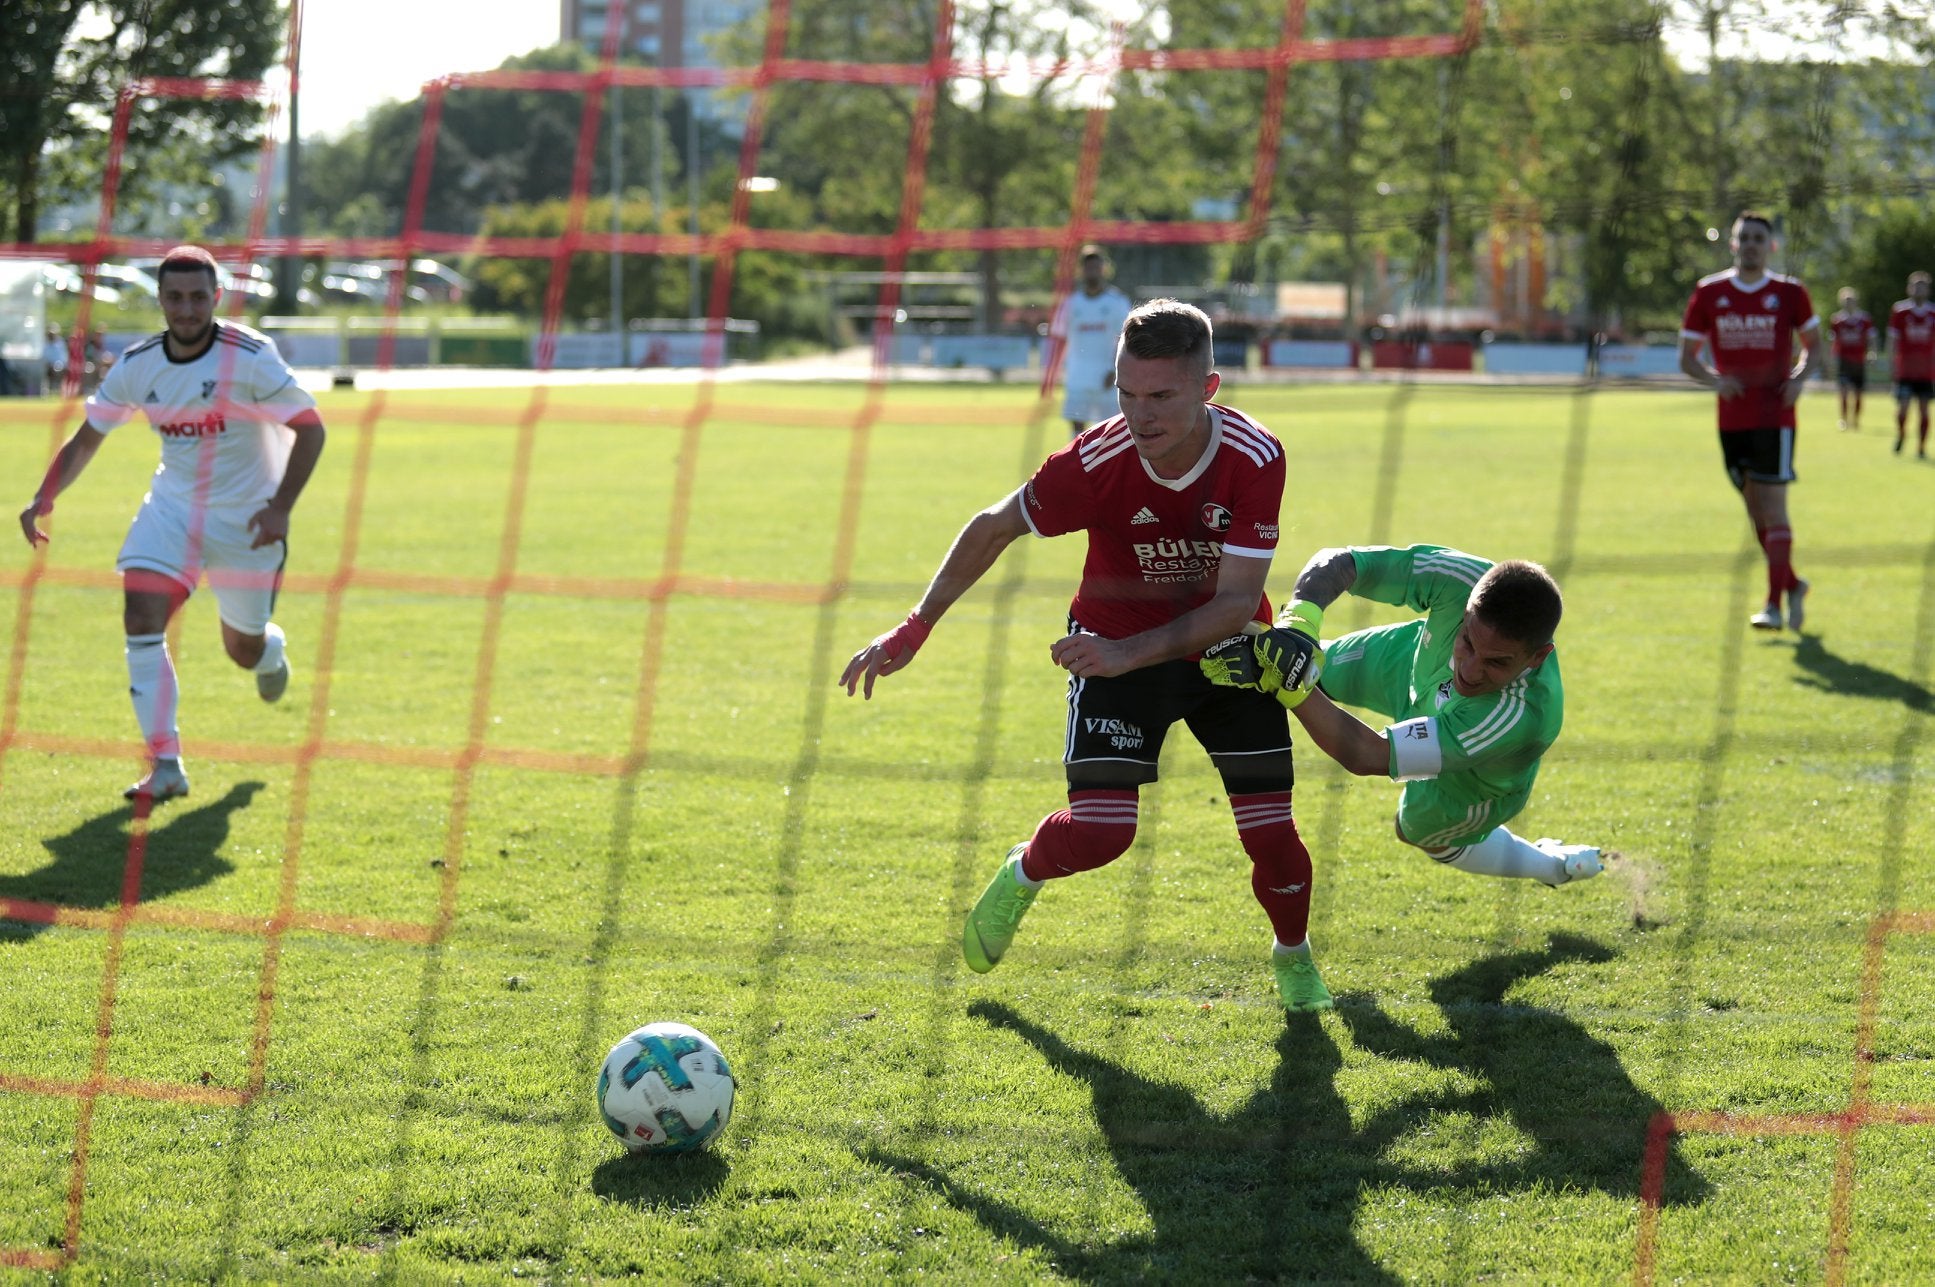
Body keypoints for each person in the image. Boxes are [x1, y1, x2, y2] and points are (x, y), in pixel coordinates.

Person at [841, 298, 1334, 1011]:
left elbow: (1232, 605)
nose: (1140, 415)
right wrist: (915, 626)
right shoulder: (1095, 460)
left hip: (1225, 655)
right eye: (1126, 394)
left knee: (1271, 835)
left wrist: (1128, 653)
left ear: (1207, 388)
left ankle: (1293, 957)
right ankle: (1024, 871)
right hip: (1109, 646)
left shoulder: (1253, 456)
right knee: (1103, 832)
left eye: (1161, 396)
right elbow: (992, 526)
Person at [18, 245, 327, 802]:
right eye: (175, 298)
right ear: (160, 299)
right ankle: (166, 765)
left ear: (217, 298)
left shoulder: (250, 356)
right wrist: (44, 495)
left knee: (242, 650)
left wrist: (280, 507)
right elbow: (89, 437)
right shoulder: (139, 365)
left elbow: (312, 429)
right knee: (140, 613)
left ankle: (269, 650)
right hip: (174, 511)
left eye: (198, 297)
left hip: (249, 523)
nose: (186, 309)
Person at [1201, 544, 1602, 890]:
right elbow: (1341, 562)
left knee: (1411, 832)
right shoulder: (1461, 578)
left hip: (1469, 782)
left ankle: (1554, 866)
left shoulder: (1516, 718)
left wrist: (1292, 685)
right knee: (1301, 665)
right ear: (1465, 610)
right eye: (1467, 641)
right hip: (1410, 663)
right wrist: (1298, 630)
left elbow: (1368, 756)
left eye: (1497, 662)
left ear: (1537, 657)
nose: (1470, 669)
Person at [1678, 211, 1820, 633]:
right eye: (1746, 237)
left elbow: (1815, 349)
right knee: (1756, 513)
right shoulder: (1709, 293)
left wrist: (1800, 378)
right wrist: (1713, 379)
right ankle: (1794, 584)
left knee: (1774, 513)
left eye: (1760, 237)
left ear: (1771, 245)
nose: (1753, 244)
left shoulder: (1790, 293)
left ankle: (1773, 605)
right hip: (1732, 421)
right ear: (1733, 244)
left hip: (1776, 418)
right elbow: (1687, 358)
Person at [1043, 245, 1133, 438]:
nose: (1092, 271)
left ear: (1104, 269)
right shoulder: (1070, 304)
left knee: (1111, 433)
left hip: (1109, 378)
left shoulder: (1117, 303)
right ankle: (1078, 467)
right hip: (1077, 377)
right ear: (1081, 270)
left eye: (1096, 267)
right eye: (1088, 267)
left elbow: (1127, 338)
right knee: (1077, 433)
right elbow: (1059, 338)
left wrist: (1116, 369)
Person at [1888, 271, 1934, 459]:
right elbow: (1892, 340)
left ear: (1928, 290)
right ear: (1909, 288)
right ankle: (1901, 434)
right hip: (1905, 370)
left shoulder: (1933, 312)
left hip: (1926, 371)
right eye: (1915, 285)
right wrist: (1892, 365)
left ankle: (1921, 447)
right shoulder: (1900, 311)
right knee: (1903, 407)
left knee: (1924, 409)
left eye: (1923, 286)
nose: (1919, 289)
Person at [1828, 287, 1874, 431]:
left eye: (1851, 300)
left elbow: (1870, 338)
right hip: (1844, 361)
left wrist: (1872, 352)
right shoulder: (1836, 320)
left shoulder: (1865, 319)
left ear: (1856, 301)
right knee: (1843, 391)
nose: (1848, 303)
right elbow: (1833, 340)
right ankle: (1843, 420)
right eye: (1846, 300)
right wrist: (1832, 356)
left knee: (1858, 393)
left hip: (1859, 361)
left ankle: (1856, 420)